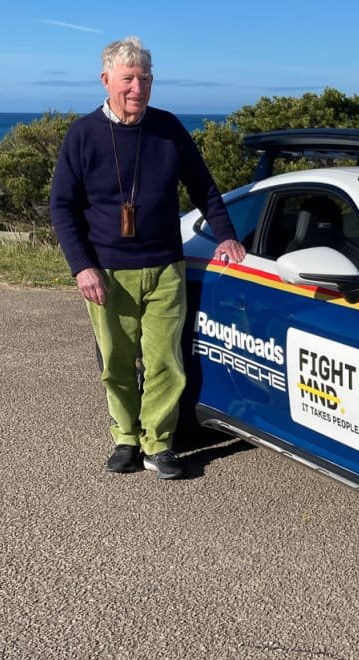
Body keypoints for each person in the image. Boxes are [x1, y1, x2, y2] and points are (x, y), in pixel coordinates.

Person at [50, 36, 245, 479]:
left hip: (164, 267)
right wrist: (81, 266)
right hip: (106, 272)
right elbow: (61, 206)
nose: (137, 87)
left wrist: (228, 237)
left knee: (164, 361)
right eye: (128, 79)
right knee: (117, 361)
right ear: (106, 81)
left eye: (145, 79)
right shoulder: (83, 134)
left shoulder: (168, 128)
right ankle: (125, 437)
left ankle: (158, 443)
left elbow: (205, 189)